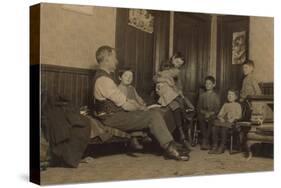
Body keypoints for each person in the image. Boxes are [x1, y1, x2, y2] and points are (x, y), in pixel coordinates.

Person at [93, 45, 189, 161]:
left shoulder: (104, 78)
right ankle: (170, 148)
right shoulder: (104, 80)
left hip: (115, 114)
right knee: (152, 115)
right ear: (107, 58)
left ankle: (169, 143)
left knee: (154, 112)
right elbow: (127, 105)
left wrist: (137, 105)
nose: (117, 61)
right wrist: (140, 108)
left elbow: (125, 101)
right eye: (114, 57)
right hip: (112, 117)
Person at [153, 53, 195, 150]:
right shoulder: (165, 67)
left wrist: (179, 90)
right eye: (177, 62)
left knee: (178, 105)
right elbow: (155, 78)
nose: (177, 65)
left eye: (180, 64)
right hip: (164, 95)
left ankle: (182, 136)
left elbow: (179, 86)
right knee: (177, 105)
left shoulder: (177, 72)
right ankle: (182, 137)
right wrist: (166, 81)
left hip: (173, 94)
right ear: (173, 58)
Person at [118, 68, 147, 149]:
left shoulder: (132, 88)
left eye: (131, 76)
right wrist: (139, 106)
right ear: (120, 78)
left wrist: (142, 103)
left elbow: (138, 98)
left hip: (134, 107)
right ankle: (134, 138)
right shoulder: (119, 88)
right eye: (126, 76)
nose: (129, 78)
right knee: (134, 115)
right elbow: (127, 101)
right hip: (125, 109)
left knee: (145, 112)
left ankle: (144, 135)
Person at [209, 89, 242, 154]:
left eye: (231, 94)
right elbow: (220, 114)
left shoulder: (237, 105)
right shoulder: (225, 104)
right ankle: (215, 146)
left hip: (232, 123)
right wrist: (220, 118)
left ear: (236, 97)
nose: (229, 96)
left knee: (224, 129)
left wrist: (233, 118)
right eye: (228, 94)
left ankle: (222, 146)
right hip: (224, 121)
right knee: (214, 128)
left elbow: (239, 115)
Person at [197, 76, 221, 150]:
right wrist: (204, 113)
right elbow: (198, 107)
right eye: (206, 83)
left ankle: (205, 139)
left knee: (212, 119)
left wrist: (210, 113)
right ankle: (205, 139)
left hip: (212, 114)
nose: (207, 85)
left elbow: (217, 109)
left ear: (213, 85)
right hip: (204, 113)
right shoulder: (202, 96)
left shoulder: (216, 96)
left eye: (209, 83)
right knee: (200, 118)